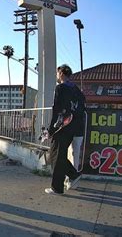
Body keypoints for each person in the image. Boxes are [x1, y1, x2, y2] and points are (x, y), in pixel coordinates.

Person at [44, 64, 85, 195]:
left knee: (55, 154)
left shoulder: (60, 88)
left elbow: (56, 109)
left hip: (62, 126)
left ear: (61, 73)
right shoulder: (77, 91)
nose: (57, 76)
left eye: (57, 73)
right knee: (58, 154)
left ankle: (57, 188)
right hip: (74, 127)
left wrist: (50, 129)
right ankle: (73, 175)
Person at [65, 87, 86, 190]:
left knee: (73, 155)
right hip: (74, 131)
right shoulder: (80, 101)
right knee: (71, 155)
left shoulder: (76, 103)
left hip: (75, 131)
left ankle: (72, 181)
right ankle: (69, 178)